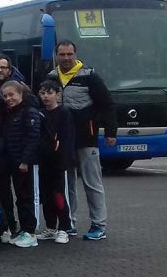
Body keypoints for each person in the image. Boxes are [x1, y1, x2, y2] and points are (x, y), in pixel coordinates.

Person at [45, 39, 116, 240]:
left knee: (92, 183)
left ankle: (98, 225)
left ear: (75, 55)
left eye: (69, 54)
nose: (66, 58)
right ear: (56, 55)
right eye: (62, 54)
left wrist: (111, 132)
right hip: (61, 141)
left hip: (86, 138)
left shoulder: (90, 76)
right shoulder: (51, 77)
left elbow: (107, 104)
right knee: (67, 185)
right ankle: (69, 223)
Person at [0, 81, 43, 248]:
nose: (9, 98)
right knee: (19, 198)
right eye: (5, 96)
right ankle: (23, 230)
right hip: (13, 162)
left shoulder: (29, 112)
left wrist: (25, 161)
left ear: (21, 94)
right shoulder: (10, 113)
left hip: (24, 163)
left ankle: (30, 232)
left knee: (26, 197)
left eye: (12, 95)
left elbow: (33, 138)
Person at [35, 79, 75, 245]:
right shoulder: (39, 113)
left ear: (57, 94)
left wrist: (63, 160)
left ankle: (64, 228)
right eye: (43, 93)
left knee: (59, 195)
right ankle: (51, 228)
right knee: (46, 196)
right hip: (43, 162)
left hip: (58, 163)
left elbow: (67, 138)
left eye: (49, 93)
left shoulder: (64, 113)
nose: (46, 96)